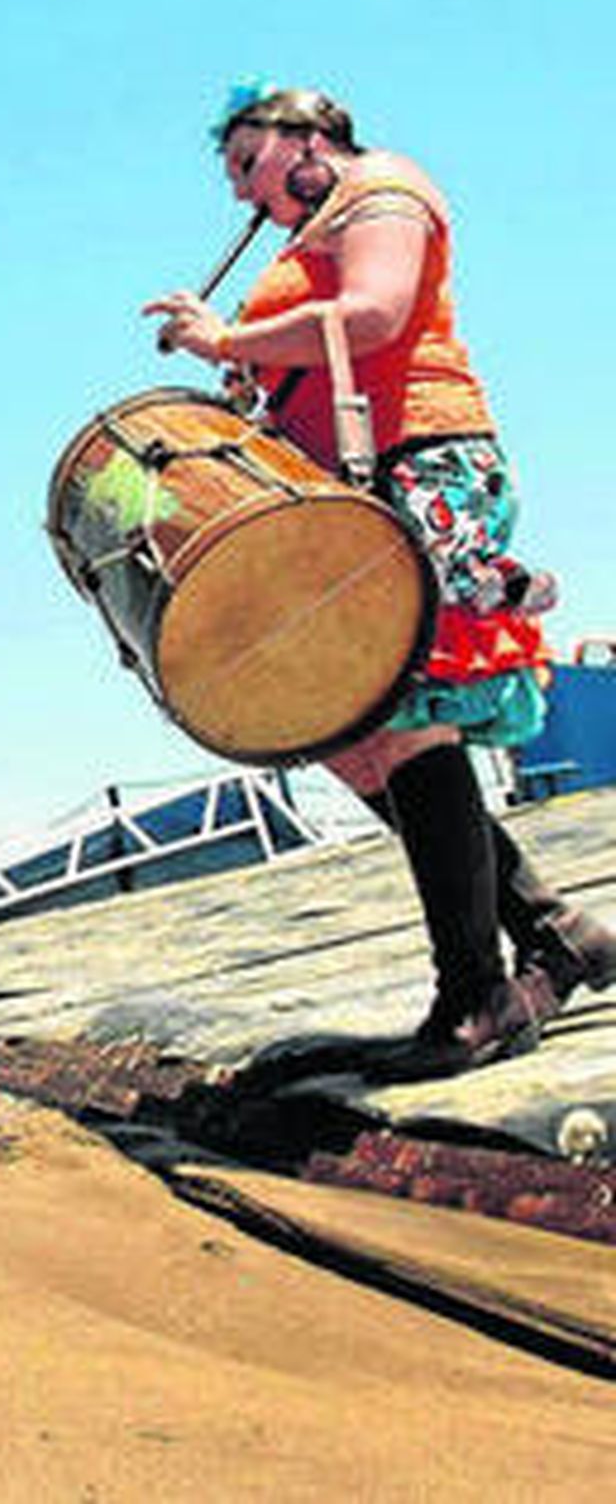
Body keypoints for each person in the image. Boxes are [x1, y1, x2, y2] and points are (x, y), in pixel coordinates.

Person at [143, 81, 615, 1080]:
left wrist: (227, 340)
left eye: (247, 163)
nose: (241, 193)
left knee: (403, 720)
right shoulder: (306, 227)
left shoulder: (381, 189)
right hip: (350, 487)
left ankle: (475, 995)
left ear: (308, 134)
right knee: (354, 738)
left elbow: (375, 313)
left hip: (422, 463)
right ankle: (555, 930)